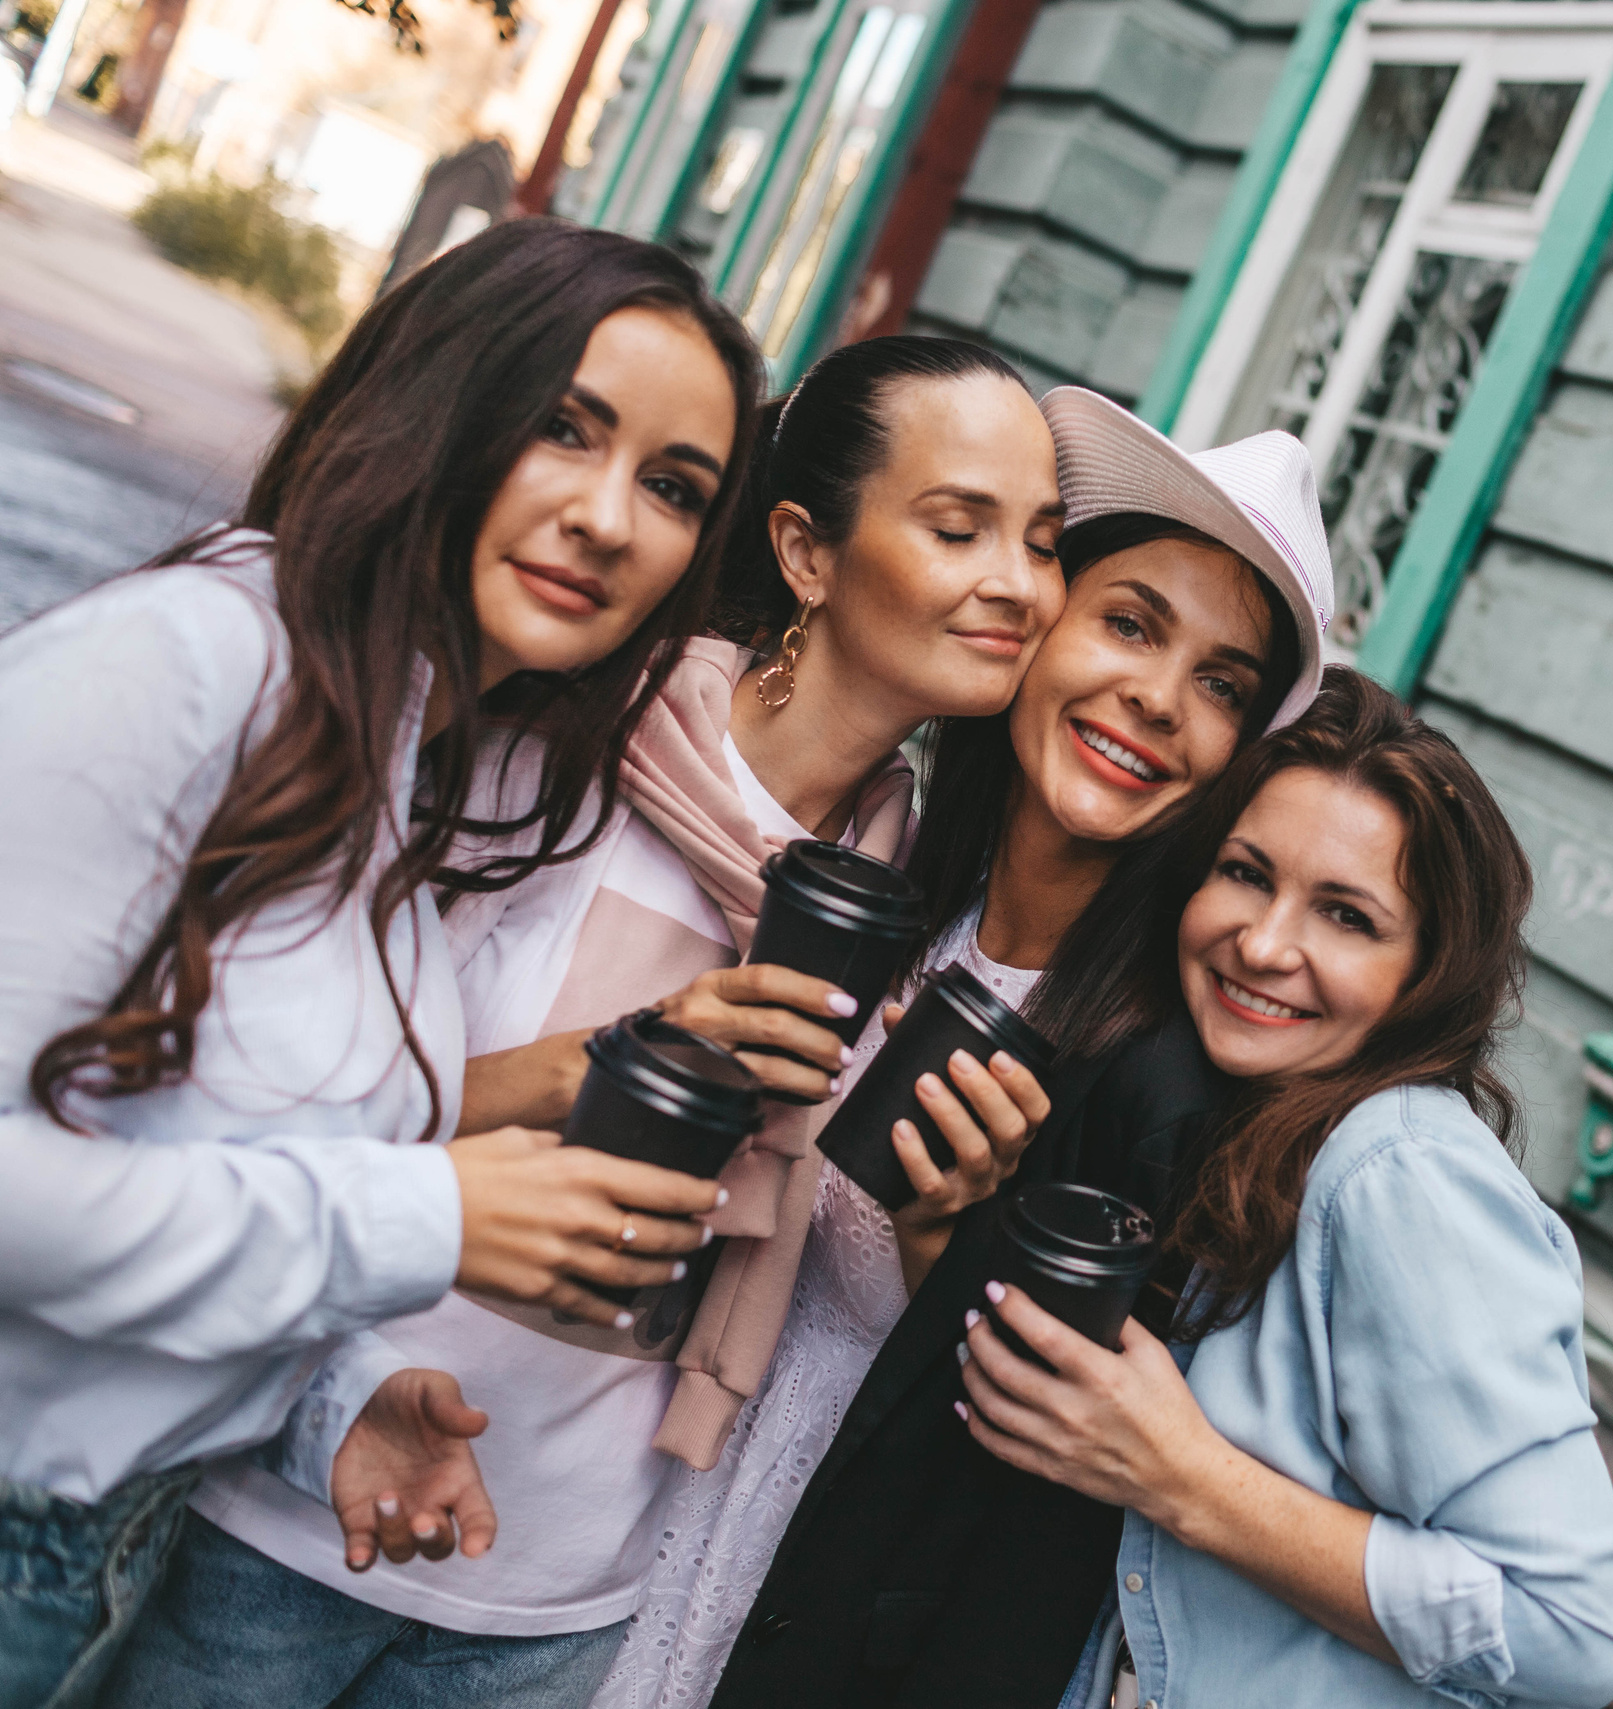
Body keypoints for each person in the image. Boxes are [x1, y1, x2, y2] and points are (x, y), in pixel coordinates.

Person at [100, 337, 1068, 1709]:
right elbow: (290, 1099)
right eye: (960, 527)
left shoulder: (912, 886)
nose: (1018, 587)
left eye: (1040, 542)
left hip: (560, 1599)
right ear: (805, 549)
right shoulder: (567, 746)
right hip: (294, 1513)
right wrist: (626, 1056)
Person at [0, 218, 763, 1709]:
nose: (610, 518)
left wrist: (324, 1401)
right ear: (441, 401)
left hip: (104, 1552)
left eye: (674, 488)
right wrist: (427, 1211)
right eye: (564, 429)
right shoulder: (194, 661)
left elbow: (183, 1163)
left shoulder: (399, 774)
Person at [680, 389, 1333, 1709]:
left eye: (1221, 683)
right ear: (1040, 625)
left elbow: (1034, 1510)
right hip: (640, 1498)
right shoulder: (891, 863)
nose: (1157, 700)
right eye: (1132, 623)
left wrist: (953, 1235)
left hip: (810, 1607)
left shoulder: (1157, 1078)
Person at [955, 669, 1613, 1709]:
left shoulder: (1396, 1171)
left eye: (1347, 916)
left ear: (1425, 973)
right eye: (1244, 872)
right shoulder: (1251, 1123)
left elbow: (1573, 1628)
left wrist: (1184, 1477)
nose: (1265, 944)